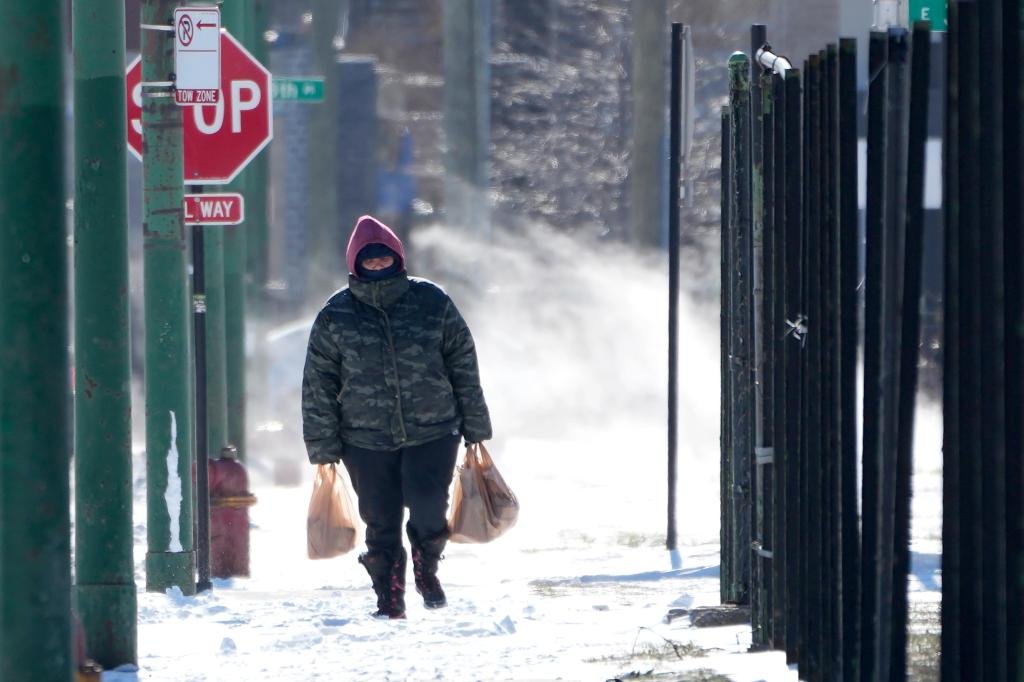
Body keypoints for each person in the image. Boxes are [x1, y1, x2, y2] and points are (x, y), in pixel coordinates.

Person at [301, 215, 492, 619]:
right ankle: (389, 596)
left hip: (434, 429)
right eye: (368, 260)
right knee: (380, 519)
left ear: (397, 257)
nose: (376, 265)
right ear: (355, 263)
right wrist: (322, 444)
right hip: (364, 438)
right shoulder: (336, 315)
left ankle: (427, 566)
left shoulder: (432, 302)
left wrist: (475, 424)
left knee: (428, 506)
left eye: (382, 258)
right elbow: (318, 382)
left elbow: (462, 363)